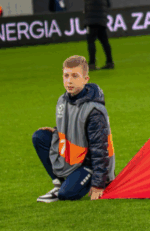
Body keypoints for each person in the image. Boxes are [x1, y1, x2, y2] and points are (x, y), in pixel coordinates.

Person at [31, 55, 115, 203]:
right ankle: (59, 183)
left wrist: (98, 184)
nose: (69, 81)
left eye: (75, 76)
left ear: (85, 79)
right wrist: (56, 131)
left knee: (66, 195)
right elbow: (74, 127)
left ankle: (85, 181)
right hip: (73, 159)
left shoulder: (94, 110)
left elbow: (100, 149)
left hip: (89, 163)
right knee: (40, 137)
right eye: (66, 76)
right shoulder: (63, 99)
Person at [78, 0, 114, 71]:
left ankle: (92, 64)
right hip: (102, 16)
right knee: (104, 40)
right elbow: (108, 2)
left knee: (90, 40)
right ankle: (110, 62)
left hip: (92, 16)